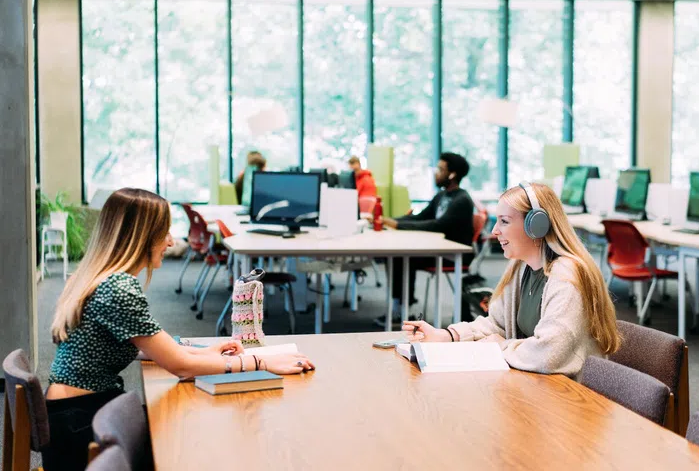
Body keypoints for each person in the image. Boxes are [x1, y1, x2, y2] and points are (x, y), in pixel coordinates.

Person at [43, 188, 314, 471]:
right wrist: (263, 362)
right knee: (192, 438)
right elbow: (181, 367)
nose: (171, 242)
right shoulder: (118, 289)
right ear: (141, 236)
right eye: (164, 233)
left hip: (75, 413)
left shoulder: (98, 277)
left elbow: (147, 347)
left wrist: (200, 351)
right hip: (80, 425)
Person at [402, 182, 621, 381]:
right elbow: (496, 324)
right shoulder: (522, 266)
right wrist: (447, 335)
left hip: (572, 396)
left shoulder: (566, 276)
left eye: (504, 222)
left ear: (536, 226)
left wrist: (499, 347)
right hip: (538, 383)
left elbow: (550, 351)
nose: (495, 231)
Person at [374, 152, 475, 327]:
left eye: (440, 169)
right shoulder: (442, 196)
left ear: (452, 175)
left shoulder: (462, 200)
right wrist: (391, 221)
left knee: (403, 257)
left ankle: (406, 310)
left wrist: (397, 225)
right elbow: (421, 217)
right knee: (397, 255)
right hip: (436, 248)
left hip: (453, 253)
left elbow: (437, 225)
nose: (436, 173)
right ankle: (402, 308)